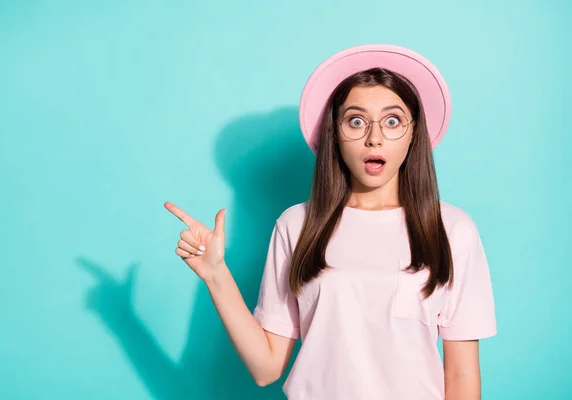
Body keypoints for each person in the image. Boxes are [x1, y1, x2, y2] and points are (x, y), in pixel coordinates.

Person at [165, 44, 497, 400]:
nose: (374, 137)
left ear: (414, 133)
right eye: (356, 121)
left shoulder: (453, 229)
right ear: (334, 133)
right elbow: (266, 369)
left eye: (392, 121)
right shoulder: (296, 224)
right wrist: (216, 275)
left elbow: (462, 374)